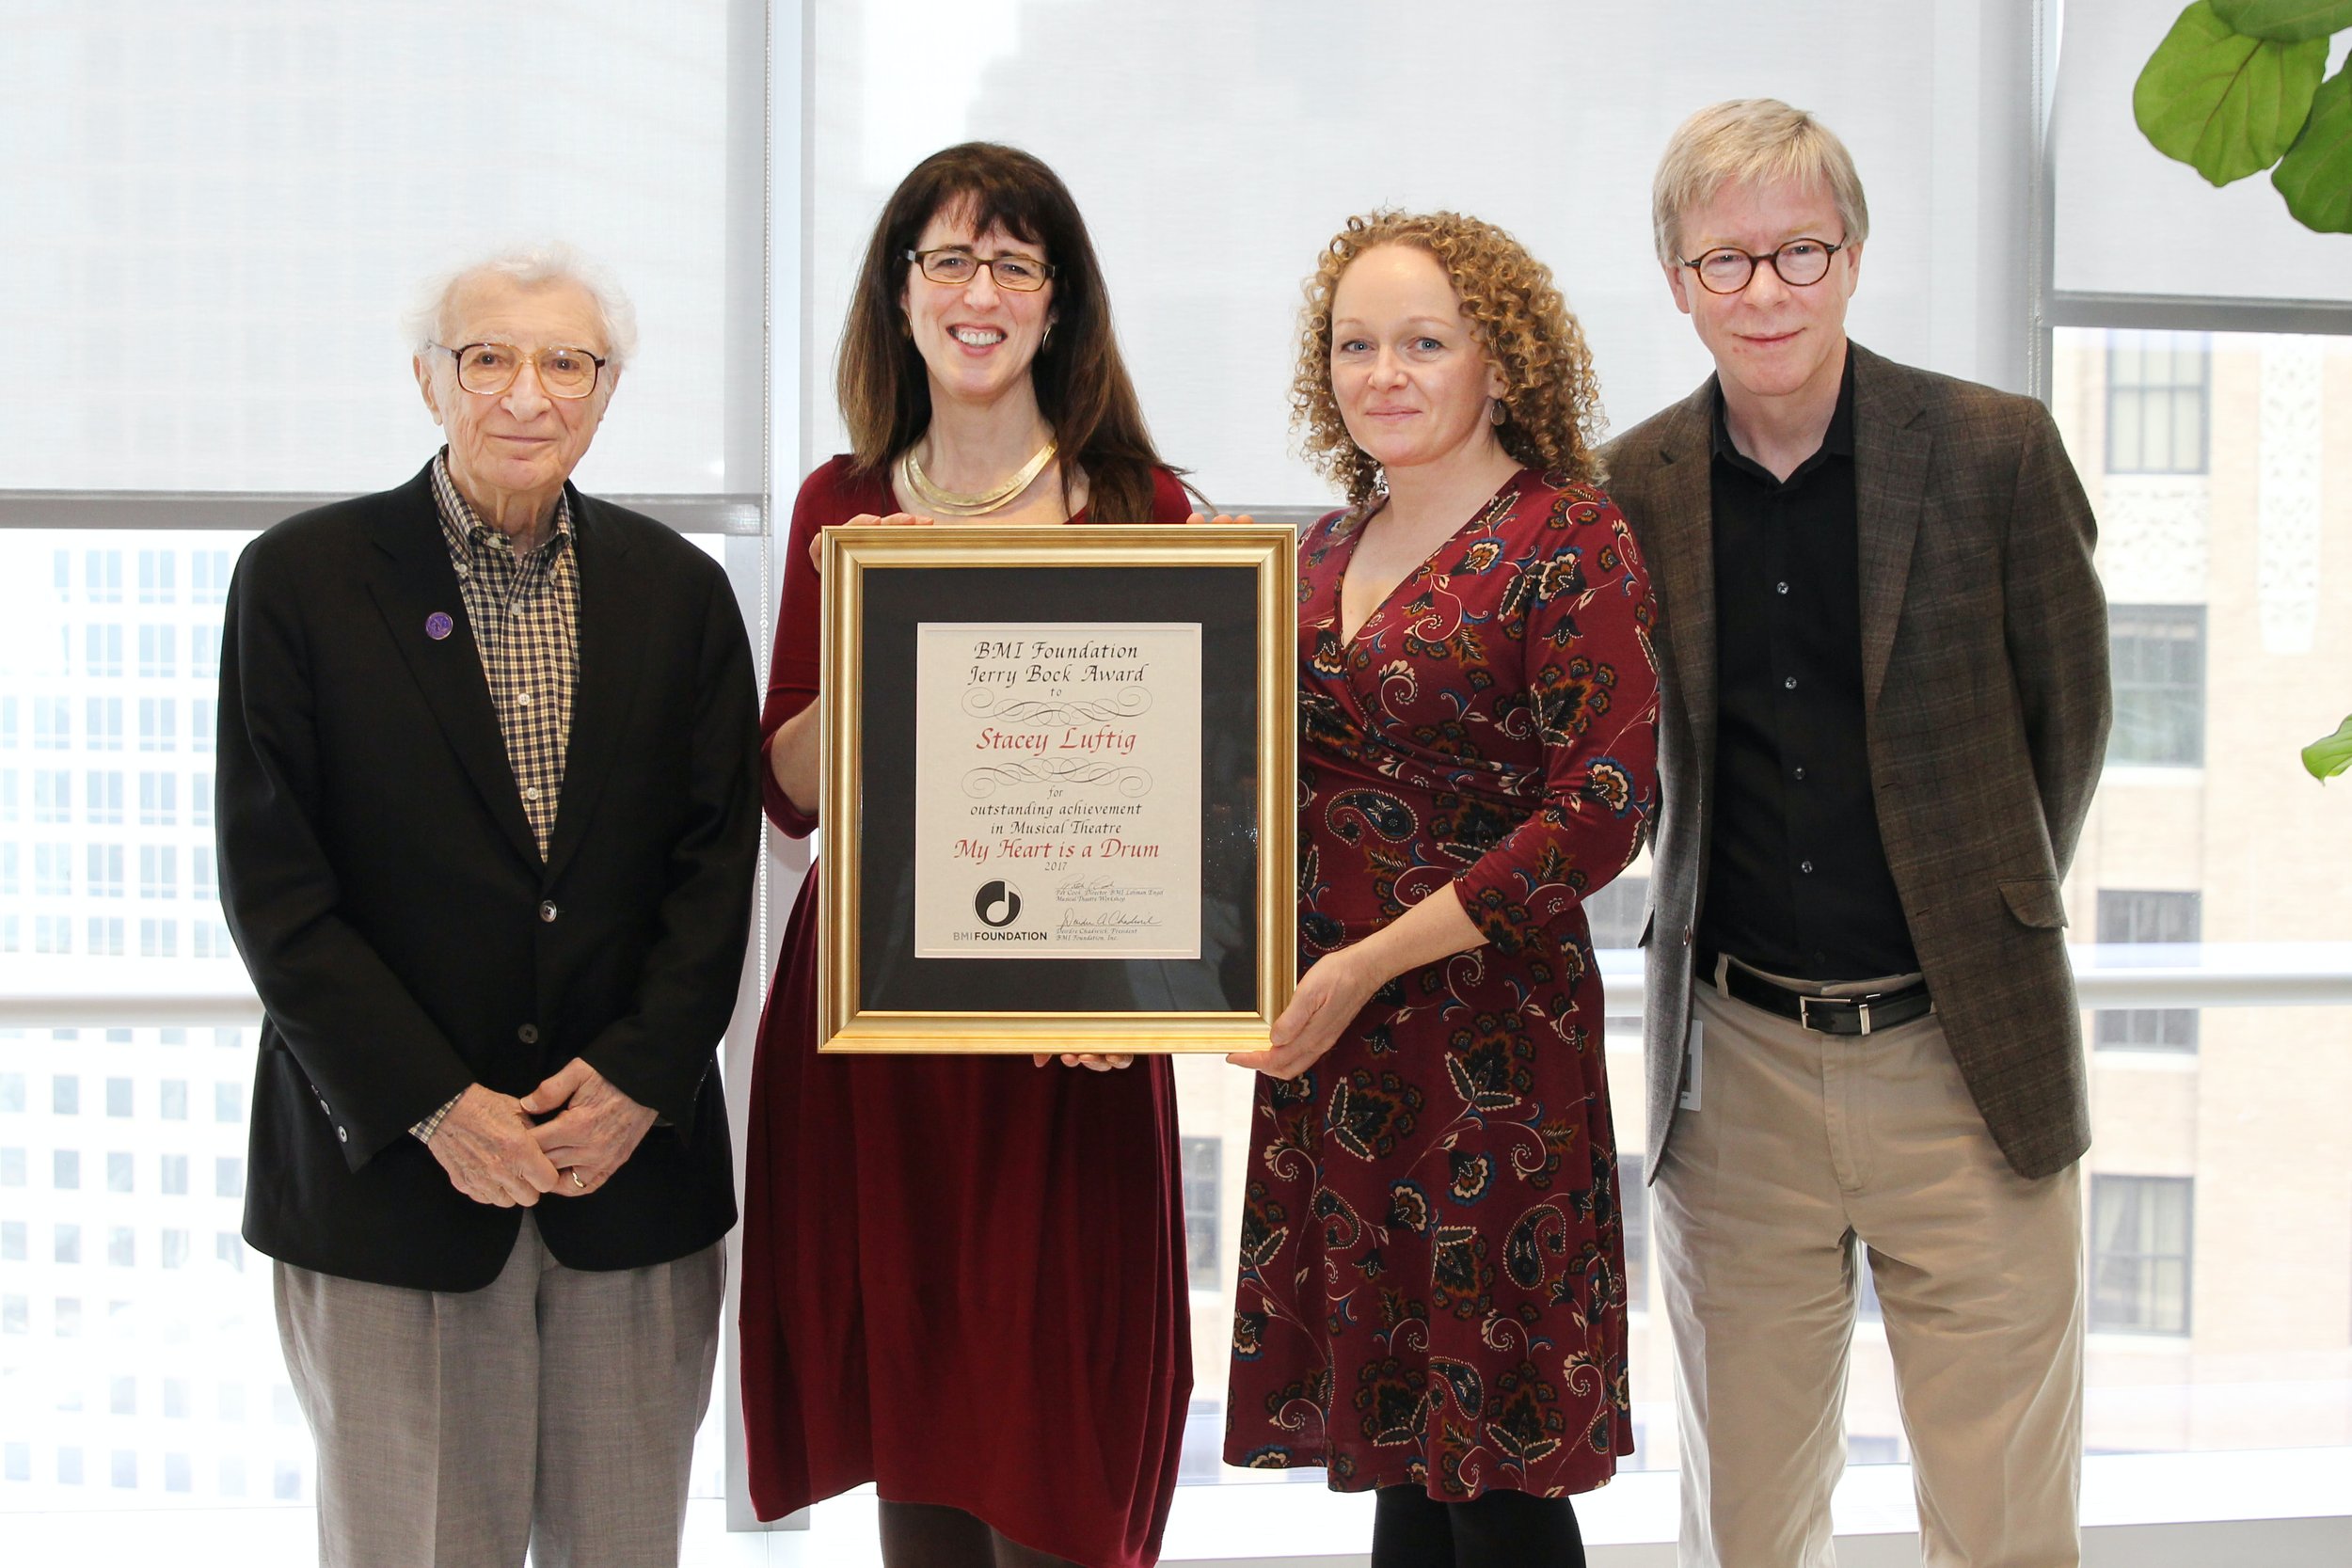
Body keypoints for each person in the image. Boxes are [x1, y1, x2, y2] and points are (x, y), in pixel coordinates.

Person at [1600, 99, 2110, 1568]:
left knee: (2006, 1527)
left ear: (1856, 256)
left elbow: (2064, 729)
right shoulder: (1632, 490)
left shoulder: (1996, 452)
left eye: (1799, 252)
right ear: (1679, 281)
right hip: (1736, 1073)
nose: (1765, 291)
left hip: (1969, 1062)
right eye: (1726, 261)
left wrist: (1977, 914)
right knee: (1746, 1531)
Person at [215, 245, 760, 1567]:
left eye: (566, 362)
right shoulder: (300, 580)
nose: (528, 392)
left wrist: (639, 1081)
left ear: (605, 392)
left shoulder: (680, 592)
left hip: (626, 1180)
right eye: (489, 358)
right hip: (392, 1185)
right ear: (428, 380)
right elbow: (275, 890)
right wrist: (435, 1104)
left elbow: (715, 867)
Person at [738, 142, 1196, 1568]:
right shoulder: (840, 502)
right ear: (901, 293)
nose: (979, 291)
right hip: (880, 1022)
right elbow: (788, 793)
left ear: (1058, 302)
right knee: (919, 1428)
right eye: (948, 259)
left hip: (1076, 1035)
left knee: (1064, 1456)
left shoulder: (1143, 507)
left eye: (1014, 262)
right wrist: (864, 616)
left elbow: (1189, 807)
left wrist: (1139, 1000)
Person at [1222, 211, 1660, 1568]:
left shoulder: (1568, 536)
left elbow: (1603, 811)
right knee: (1408, 1453)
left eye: (1424, 341)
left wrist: (1366, 961)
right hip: (1340, 1053)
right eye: (1356, 345)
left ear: (1500, 360)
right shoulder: (1309, 556)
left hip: (1489, 1052)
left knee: (1500, 1475)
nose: (1385, 374)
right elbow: (1242, 790)